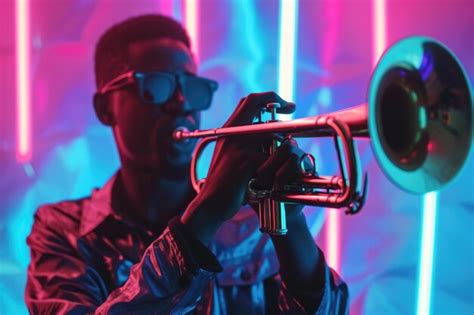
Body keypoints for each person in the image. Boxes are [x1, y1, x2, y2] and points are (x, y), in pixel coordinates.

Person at [25, 14, 348, 314]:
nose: (182, 103)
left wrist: (292, 227)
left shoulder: (253, 223)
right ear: (105, 108)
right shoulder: (62, 230)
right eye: (156, 85)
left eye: (192, 87)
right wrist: (205, 212)